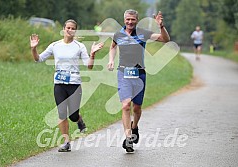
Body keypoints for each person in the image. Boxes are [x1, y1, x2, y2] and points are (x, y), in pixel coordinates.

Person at [30, 19, 103, 152]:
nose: (69, 30)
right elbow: (38, 59)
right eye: (67, 27)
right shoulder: (55, 45)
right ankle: (66, 142)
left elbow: (89, 65)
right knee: (62, 113)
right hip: (59, 83)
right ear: (64, 29)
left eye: (72, 28)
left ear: (75, 31)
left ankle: (79, 119)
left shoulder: (79, 46)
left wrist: (92, 54)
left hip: (74, 83)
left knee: (73, 115)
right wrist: (34, 48)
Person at [107, 9, 170, 152]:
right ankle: (128, 138)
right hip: (123, 72)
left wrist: (161, 26)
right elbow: (112, 47)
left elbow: (165, 39)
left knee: (137, 108)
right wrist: (111, 60)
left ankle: (134, 127)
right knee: (125, 106)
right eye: (128, 19)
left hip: (139, 74)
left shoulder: (143, 33)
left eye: (133, 20)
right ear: (124, 20)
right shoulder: (118, 34)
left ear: (137, 20)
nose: (130, 22)